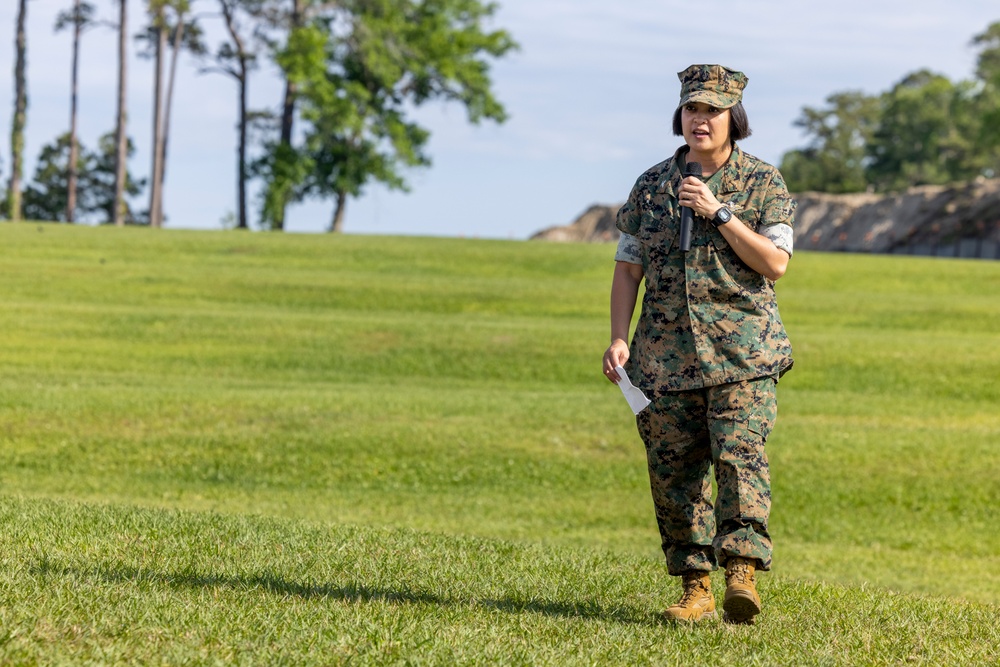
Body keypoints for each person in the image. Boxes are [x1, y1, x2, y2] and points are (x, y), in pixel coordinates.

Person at [602, 64, 795, 625]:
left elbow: (775, 264)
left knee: (739, 460)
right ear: (679, 115)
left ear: (733, 118)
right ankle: (695, 588)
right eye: (692, 109)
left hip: (743, 358)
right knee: (674, 474)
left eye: (711, 111)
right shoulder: (650, 186)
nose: (700, 120)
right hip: (663, 361)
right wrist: (618, 336)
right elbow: (627, 266)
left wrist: (720, 212)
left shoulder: (764, 183)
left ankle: (741, 573)